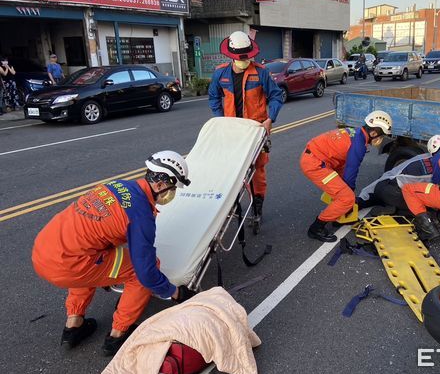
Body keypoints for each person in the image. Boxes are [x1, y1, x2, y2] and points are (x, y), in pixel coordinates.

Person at [31, 151, 192, 356]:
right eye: (172, 189)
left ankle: (74, 325)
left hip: (44, 249)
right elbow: (147, 273)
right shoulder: (140, 215)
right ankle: (118, 335)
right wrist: (175, 292)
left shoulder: (118, 185)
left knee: (90, 252)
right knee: (141, 270)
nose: (171, 195)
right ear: (160, 184)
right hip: (67, 265)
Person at [208, 31, 283, 220]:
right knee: (232, 169)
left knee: (257, 171)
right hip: (231, 131)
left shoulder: (261, 72)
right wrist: (220, 119)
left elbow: (276, 95)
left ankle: (257, 208)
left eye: (247, 57)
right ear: (231, 56)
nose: (244, 61)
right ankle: (232, 203)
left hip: (255, 131)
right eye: (240, 58)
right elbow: (214, 97)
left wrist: (269, 119)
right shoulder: (220, 73)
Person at [300, 110, 393, 242]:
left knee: (344, 191)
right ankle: (317, 227)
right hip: (315, 163)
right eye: (382, 135)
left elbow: (347, 166)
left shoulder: (357, 133)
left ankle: (339, 216)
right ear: (374, 133)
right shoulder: (359, 145)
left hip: (319, 157)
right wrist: (349, 194)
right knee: (347, 197)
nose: (381, 139)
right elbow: (351, 171)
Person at [357, 152, 433, 215]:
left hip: (382, 185)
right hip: (394, 193)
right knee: (426, 209)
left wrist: (362, 197)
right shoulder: (435, 173)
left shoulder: (423, 156)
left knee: (376, 196)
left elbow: (390, 173)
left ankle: (386, 202)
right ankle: (395, 210)